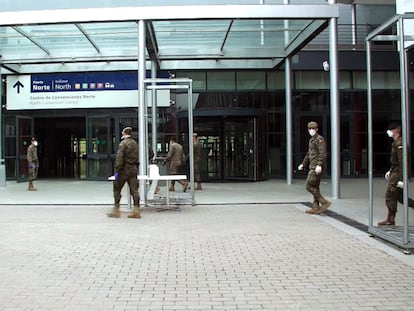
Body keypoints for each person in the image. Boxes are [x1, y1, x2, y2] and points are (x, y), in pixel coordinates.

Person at [378, 122, 414, 226]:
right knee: (400, 197)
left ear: (396, 131)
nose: (388, 132)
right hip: (395, 172)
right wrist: (390, 170)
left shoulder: (400, 144)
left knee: (390, 196)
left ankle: (390, 219)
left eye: (390, 130)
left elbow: (403, 163)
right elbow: (396, 162)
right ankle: (390, 218)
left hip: (398, 174)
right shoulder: (396, 143)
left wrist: (402, 179)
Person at [298, 121, 331, 214]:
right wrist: (303, 164)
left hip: (316, 167)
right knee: (315, 186)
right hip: (312, 166)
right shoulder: (311, 140)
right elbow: (309, 154)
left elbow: (323, 153)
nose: (312, 130)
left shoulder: (320, 139)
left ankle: (324, 202)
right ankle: (315, 207)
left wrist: (319, 165)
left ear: (317, 129)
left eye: (313, 128)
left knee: (308, 186)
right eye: (310, 128)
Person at [107, 127, 141, 219]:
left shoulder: (123, 144)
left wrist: (117, 170)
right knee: (134, 191)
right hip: (133, 169)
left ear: (124, 133)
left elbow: (119, 158)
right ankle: (136, 211)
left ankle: (116, 211)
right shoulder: (135, 143)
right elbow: (137, 157)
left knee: (117, 189)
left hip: (124, 170)